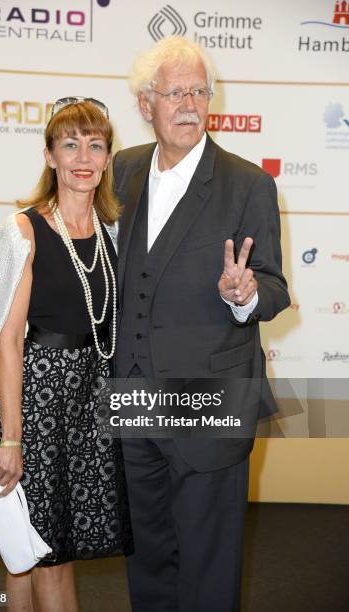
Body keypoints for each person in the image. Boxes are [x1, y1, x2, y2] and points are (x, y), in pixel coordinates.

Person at [113, 37, 290, 612]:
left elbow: (274, 288)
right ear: (146, 104)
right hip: (132, 397)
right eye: (175, 92)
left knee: (210, 563)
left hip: (210, 401)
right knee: (146, 555)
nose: (189, 103)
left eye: (199, 91)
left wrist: (246, 294)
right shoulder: (122, 171)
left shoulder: (248, 184)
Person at [0, 98, 133, 612]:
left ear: (108, 156)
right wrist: (10, 438)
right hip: (35, 404)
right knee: (36, 553)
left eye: (95, 145)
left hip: (87, 408)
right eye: (69, 144)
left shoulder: (113, 232)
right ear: (49, 155)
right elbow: (7, 340)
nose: (83, 156)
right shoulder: (23, 232)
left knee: (38, 552)